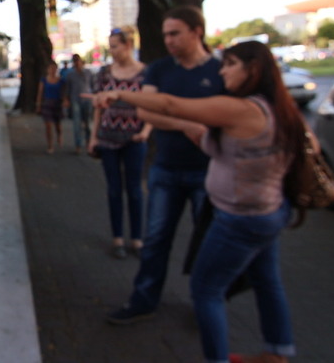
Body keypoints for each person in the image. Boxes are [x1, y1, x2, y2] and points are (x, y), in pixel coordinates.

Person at [95, 40, 304, 363]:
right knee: (267, 281)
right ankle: (277, 353)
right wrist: (187, 127)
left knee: (206, 290)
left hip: (241, 219)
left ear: (253, 70)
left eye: (230, 64)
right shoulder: (279, 108)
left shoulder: (244, 109)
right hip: (269, 211)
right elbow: (211, 139)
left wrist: (120, 94)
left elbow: (170, 105)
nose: (222, 72)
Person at [105, 5, 225, 324]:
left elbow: (226, 115)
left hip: (209, 172)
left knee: (207, 242)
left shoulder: (220, 71)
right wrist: (188, 125)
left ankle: (206, 304)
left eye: (175, 33)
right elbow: (146, 112)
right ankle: (144, 299)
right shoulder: (159, 70)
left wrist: (176, 116)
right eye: (165, 35)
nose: (169, 40)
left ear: (197, 32)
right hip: (166, 169)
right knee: (156, 239)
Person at [88, 28, 151, 259]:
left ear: (128, 45)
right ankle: (117, 238)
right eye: (110, 46)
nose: (112, 51)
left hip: (134, 139)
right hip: (108, 138)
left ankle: (137, 238)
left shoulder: (145, 73)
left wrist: (145, 131)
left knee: (135, 190)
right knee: (114, 189)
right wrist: (94, 136)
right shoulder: (105, 73)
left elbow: (153, 104)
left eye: (115, 46)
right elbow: (98, 107)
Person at [63, 54, 94, 154]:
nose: (77, 63)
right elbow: (68, 88)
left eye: (78, 61)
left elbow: (93, 85)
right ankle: (78, 144)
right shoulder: (70, 75)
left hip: (87, 100)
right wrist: (66, 99)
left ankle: (89, 141)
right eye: (75, 61)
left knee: (88, 122)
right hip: (75, 99)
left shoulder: (88, 72)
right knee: (77, 123)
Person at [35, 59, 66, 154]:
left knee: (57, 125)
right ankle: (50, 145)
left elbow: (64, 92)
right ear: (47, 69)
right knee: (48, 126)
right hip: (47, 103)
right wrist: (38, 104)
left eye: (54, 68)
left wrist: (65, 100)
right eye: (50, 68)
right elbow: (40, 92)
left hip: (57, 104)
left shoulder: (60, 80)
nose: (52, 70)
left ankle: (59, 135)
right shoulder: (44, 80)